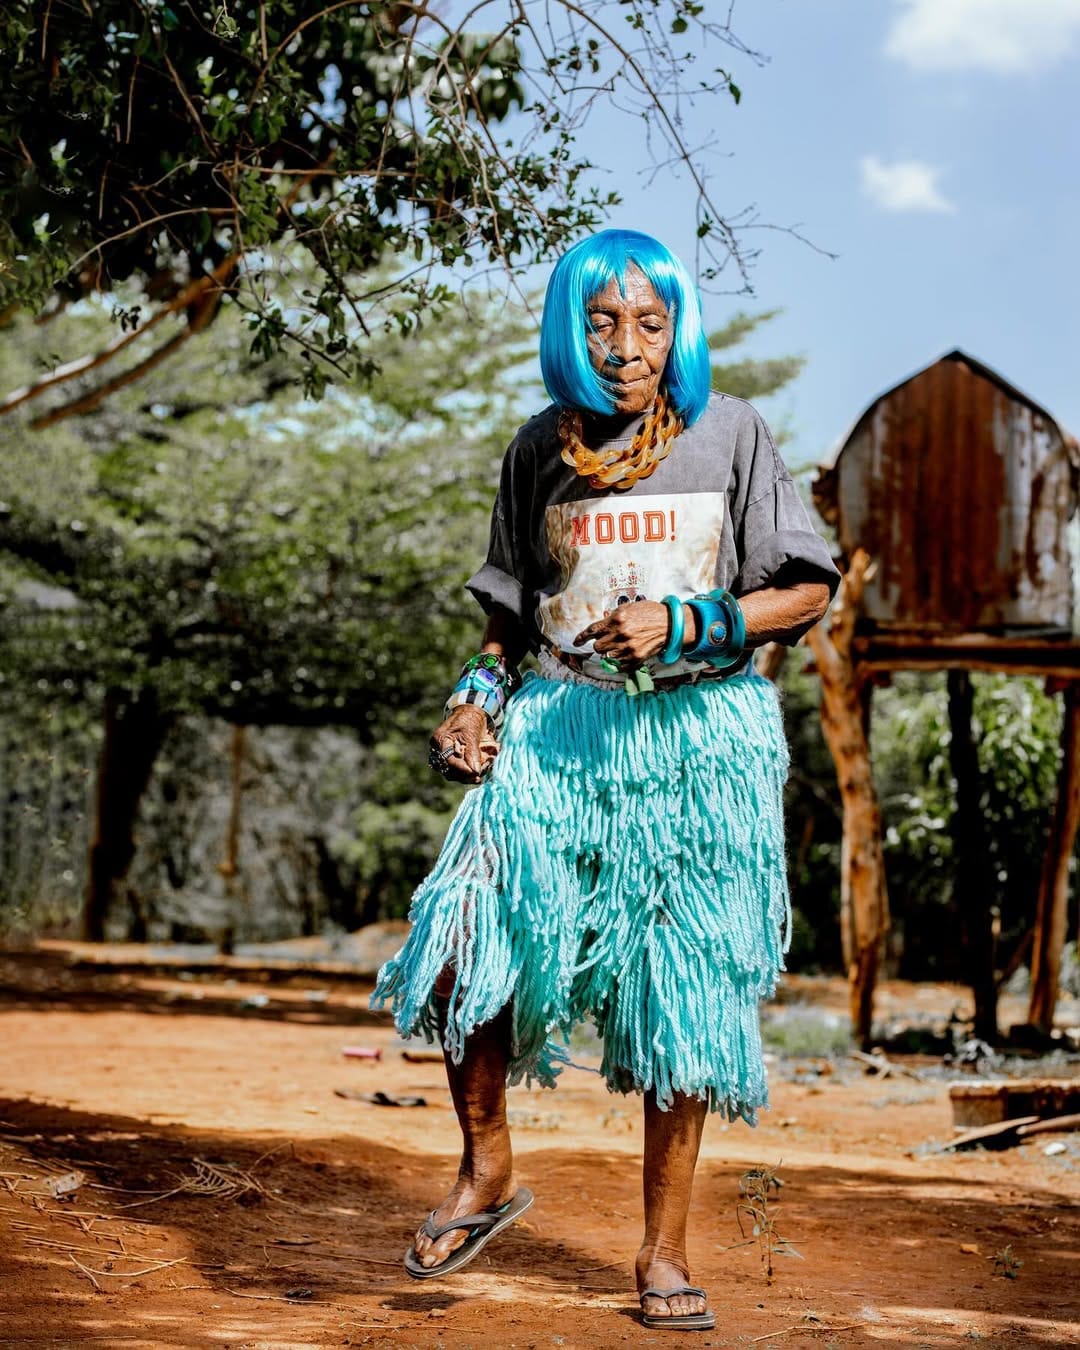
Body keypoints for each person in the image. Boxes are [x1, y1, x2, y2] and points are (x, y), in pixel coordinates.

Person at [372, 228, 839, 1331]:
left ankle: (664, 1254)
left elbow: (808, 591)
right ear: (569, 331)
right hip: (559, 729)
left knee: (681, 990)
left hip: (696, 739)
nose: (627, 344)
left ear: (678, 330)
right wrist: (472, 702)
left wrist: (692, 616)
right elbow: (506, 620)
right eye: (602, 321)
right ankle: (487, 1171)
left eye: (650, 321)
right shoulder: (540, 450)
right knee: (461, 943)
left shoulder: (733, 434)